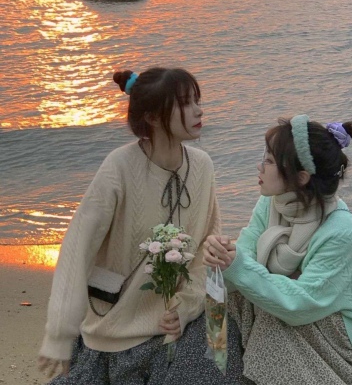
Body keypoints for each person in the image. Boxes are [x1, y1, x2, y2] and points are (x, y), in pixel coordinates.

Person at [38, 67, 249, 384]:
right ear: (151, 117)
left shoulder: (202, 166)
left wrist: (185, 308)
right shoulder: (120, 166)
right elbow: (77, 246)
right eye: (185, 103)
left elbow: (207, 250)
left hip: (175, 326)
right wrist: (59, 334)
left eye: (198, 101)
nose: (199, 110)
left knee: (221, 348)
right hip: (116, 332)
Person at [203, 114, 352, 384]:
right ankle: (219, 371)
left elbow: (301, 305)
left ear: (301, 177)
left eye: (269, 161)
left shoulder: (338, 229)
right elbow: (246, 255)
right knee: (233, 294)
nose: (259, 166)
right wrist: (223, 256)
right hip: (308, 305)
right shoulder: (272, 202)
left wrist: (239, 267)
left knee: (271, 314)